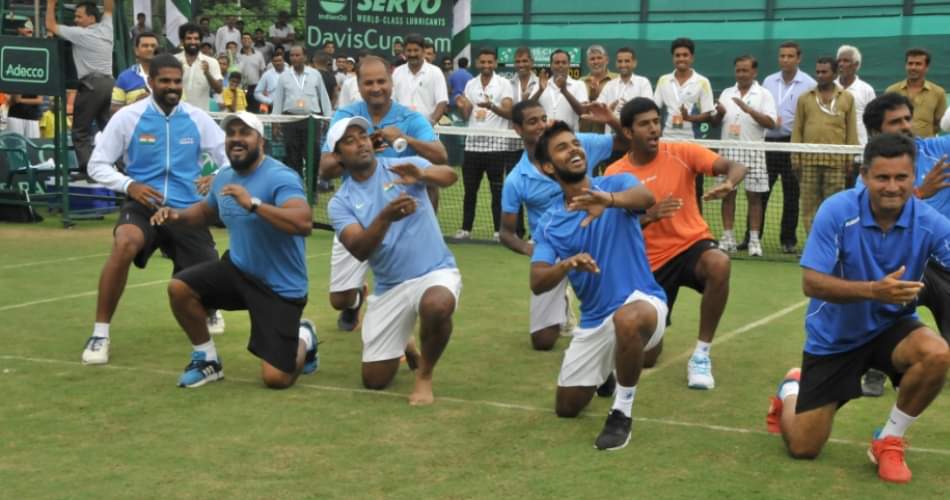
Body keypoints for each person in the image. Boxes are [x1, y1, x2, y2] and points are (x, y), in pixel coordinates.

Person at [765, 133, 950, 485]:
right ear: (864, 175)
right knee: (804, 446)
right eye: (882, 177)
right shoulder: (837, 211)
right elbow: (812, 283)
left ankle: (889, 440)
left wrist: (882, 299)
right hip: (834, 338)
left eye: (901, 178)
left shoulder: (930, 221)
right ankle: (792, 387)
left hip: (890, 328)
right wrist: (873, 291)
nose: (892, 187)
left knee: (937, 353)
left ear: (915, 178)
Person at [151, 111, 318, 389]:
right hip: (239, 271)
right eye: (231, 134)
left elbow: (303, 222)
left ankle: (305, 336)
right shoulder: (224, 176)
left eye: (245, 133)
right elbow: (206, 212)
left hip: (280, 287)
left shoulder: (280, 177)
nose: (237, 139)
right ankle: (207, 361)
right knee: (180, 288)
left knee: (276, 378)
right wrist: (177, 216)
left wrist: (253, 203)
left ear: (260, 141)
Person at [81, 54, 228, 365]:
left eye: (177, 81)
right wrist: (129, 185)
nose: (172, 87)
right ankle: (100, 334)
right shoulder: (127, 118)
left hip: (187, 210)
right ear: (151, 83)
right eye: (165, 81)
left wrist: (214, 177)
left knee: (207, 276)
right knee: (124, 243)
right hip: (142, 205)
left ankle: (210, 309)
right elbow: (97, 164)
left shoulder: (198, 118)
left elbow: (228, 156)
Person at [530, 121, 666, 450]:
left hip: (643, 303)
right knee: (566, 408)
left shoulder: (617, 183)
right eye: (562, 147)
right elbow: (537, 281)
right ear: (549, 166)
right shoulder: (549, 223)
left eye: (575, 143)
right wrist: (567, 263)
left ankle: (622, 413)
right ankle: (605, 368)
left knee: (627, 321)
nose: (574, 149)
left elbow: (646, 197)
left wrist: (608, 200)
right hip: (594, 321)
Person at [605, 97, 747, 390]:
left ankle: (701, 355)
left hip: (691, 247)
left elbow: (735, 166)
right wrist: (649, 217)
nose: (654, 129)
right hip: (650, 264)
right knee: (646, 358)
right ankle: (653, 332)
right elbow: (614, 228)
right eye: (644, 124)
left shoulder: (682, 152)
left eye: (656, 122)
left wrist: (728, 183)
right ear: (629, 132)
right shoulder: (615, 174)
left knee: (719, 262)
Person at [327, 116, 461, 405]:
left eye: (362, 136)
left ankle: (424, 376)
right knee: (374, 380)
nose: (360, 143)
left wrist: (423, 177)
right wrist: (387, 216)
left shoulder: (403, 165)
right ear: (337, 156)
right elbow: (360, 249)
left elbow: (450, 176)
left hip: (434, 272)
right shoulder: (340, 202)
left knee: (437, 305)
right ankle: (407, 342)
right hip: (389, 287)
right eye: (349, 141)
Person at [319, 55, 448, 333]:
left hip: (402, 217)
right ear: (358, 84)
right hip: (357, 210)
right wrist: (366, 147)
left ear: (391, 82)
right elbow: (325, 169)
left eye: (381, 81)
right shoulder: (346, 116)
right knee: (339, 299)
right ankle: (357, 298)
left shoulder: (410, 118)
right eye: (369, 83)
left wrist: (406, 138)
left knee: (410, 287)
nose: (376, 88)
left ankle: (402, 334)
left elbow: (441, 157)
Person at [501, 100, 627, 351]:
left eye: (543, 118)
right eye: (532, 121)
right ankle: (564, 302)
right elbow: (506, 232)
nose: (540, 125)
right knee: (543, 341)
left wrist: (612, 120)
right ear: (517, 129)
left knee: (623, 328)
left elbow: (626, 142)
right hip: (552, 248)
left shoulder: (577, 144)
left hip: (595, 235)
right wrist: (530, 249)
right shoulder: (516, 179)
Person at [856, 92, 950, 397]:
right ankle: (875, 365)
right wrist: (921, 192)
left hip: (944, 266)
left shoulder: (938, 150)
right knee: (884, 304)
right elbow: (869, 213)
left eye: (908, 118)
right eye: (896, 122)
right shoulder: (871, 173)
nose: (906, 126)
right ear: (876, 131)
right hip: (897, 264)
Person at [711, 55, 777, 257]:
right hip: (729, 152)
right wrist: (720, 113)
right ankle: (727, 237)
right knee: (727, 194)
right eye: (738, 70)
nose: (741, 74)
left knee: (754, 197)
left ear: (754, 72)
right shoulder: (726, 93)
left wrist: (749, 110)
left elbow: (771, 123)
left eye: (745, 70)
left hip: (754, 152)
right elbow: (715, 123)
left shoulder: (764, 94)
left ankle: (754, 241)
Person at [453, 48, 521, 241]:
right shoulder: (470, 84)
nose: (486, 66)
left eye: (490, 62)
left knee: (497, 192)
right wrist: (463, 106)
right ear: (477, 63)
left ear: (495, 63)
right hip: (472, 146)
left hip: (496, 146)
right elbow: (467, 115)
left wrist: (491, 106)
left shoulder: (504, 84)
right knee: (469, 191)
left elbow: (508, 112)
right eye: (483, 62)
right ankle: (465, 229)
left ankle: (498, 232)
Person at [757, 41, 817, 254]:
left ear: (798, 59)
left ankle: (788, 240)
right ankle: (753, 237)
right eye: (782, 56)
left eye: (790, 56)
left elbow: (810, 115)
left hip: (792, 143)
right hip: (768, 144)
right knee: (761, 191)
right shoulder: (768, 81)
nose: (785, 60)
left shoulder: (809, 83)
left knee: (792, 195)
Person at [45, 0, 114, 175]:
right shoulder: (107, 27)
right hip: (110, 85)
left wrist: (51, 4)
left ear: (91, 18)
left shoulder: (79, 34)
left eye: (79, 16)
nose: (75, 20)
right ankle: (119, 169)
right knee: (109, 130)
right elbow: (108, 7)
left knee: (80, 131)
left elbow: (50, 25)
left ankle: (89, 171)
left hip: (91, 86)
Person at [792, 56, 858, 235]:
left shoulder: (847, 98)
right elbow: (797, 128)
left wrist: (850, 159)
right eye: (818, 72)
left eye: (824, 72)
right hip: (809, 161)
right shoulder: (805, 98)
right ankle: (813, 243)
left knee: (834, 205)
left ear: (835, 73)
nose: (820, 75)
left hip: (836, 162)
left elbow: (851, 130)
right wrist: (795, 157)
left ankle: (833, 241)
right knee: (808, 206)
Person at [271, 45, 332, 183]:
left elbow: (323, 96)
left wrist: (327, 117)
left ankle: (312, 187)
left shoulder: (315, 74)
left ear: (305, 57)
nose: (295, 58)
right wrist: (275, 121)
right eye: (292, 55)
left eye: (298, 55)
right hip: (290, 119)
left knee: (313, 153)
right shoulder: (284, 76)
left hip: (311, 119)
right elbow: (278, 100)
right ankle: (296, 186)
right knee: (292, 154)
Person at [653, 38, 714, 141]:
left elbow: (707, 114)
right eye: (677, 55)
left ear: (692, 58)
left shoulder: (703, 82)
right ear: (673, 58)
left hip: (692, 140)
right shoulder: (663, 80)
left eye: (685, 55)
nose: (681, 58)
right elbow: (654, 108)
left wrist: (689, 118)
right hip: (667, 139)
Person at [885, 48, 947, 138]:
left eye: (918, 64)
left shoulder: (938, 92)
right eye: (910, 64)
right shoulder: (891, 91)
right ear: (905, 65)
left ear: (926, 67)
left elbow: (939, 123)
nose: (913, 67)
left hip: (926, 147)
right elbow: (886, 120)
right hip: (897, 145)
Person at [392, 33, 449, 125]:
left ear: (423, 51)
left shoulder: (435, 72)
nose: (412, 54)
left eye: (416, 50)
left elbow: (442, 102)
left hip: (426, 129)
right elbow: (392, 101)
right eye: (409, 50)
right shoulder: (397, 72)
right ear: (404, 52)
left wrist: (430, 124)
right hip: (401, 128)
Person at [5, 19, 42, 139]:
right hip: (15, 114)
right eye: (25, 27)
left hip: (32, 115)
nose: (28, 29)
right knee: (15, 146)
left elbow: (39, 100)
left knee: (32, 147)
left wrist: (19, 100)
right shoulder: (13, 50)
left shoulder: (38, 55)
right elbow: (14, 96)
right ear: (19, 29)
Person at [175, 23, 223, 112]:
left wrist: (207, 73)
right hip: (177, 115)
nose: (193, 42)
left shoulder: (211, 62)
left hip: (201, 116)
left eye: (196, 39)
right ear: (182, 41)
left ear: (200, 41)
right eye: (189, 38)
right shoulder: (174, 60)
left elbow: (219, 89)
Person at [538, 50, 588, 131]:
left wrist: (565, 91)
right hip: (544, 136)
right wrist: (539, 90)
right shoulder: (541, 84)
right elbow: (528, 108)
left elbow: (583, 112)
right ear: (551, 65)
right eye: (557, 62)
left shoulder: (579, 85)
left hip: (569, 136)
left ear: (569, 65)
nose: (560, 65)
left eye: (564, 62)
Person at [836, 45, 876, 147]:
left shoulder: (866, 90)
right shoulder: (829, 87)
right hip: (832, 149)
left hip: (858, 149)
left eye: (846, 61)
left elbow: (874, 121)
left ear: (856, 64)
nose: (841, 64)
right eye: (839, 61)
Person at [111, 32, 159, 114]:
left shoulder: (169, 74)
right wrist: (135, 105)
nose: (150, 49)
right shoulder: (124, 77)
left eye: (153, 46)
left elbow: (180, 104)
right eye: (145, 46)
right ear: (136, 51)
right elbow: (114, 109)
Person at [579, 45, 617, 133]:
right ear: (587, 62)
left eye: (599, 58)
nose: (596, 62)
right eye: (592, 59)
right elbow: (578, 109)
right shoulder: (580, 82)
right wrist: (591, 97)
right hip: (585, 133)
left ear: (606, 60)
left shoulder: (617, 80)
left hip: (611, 133)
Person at [237, 33, 265, 113]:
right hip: (241, 87)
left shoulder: (258, 54)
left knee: (255, 110)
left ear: (252, 41)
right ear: (241, 41)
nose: (246, 40)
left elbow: (262, 71)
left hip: (255, 87)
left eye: (248, 38)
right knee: (241, 110)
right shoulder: (237, 55)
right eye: (244, 38)